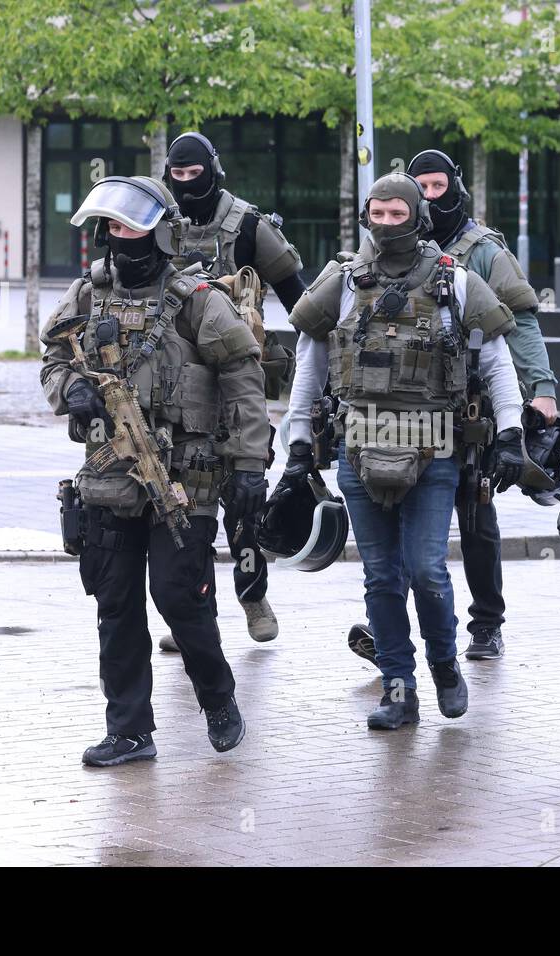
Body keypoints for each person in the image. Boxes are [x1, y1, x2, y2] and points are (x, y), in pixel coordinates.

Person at [39, 175, 270, 762]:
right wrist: (71, 388)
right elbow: (54, 358)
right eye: (113, 227)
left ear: (162, 234)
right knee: (114, 602)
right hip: (108, 474)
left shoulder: (197, 300)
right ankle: (129, 730)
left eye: (133, 227)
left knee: (178, 596)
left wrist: (248, 466)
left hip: (185, 479)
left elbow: (243, 378)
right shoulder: (89, 295)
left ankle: (218, 698)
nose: (122, 238)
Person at [284, 172, 524, 729]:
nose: (387, 223)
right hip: (358, 448)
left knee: (426, 569)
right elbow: (309, 364)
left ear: (417, 216)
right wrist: (298, 444)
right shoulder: (342, 282)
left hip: (435, 450)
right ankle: (398, 686)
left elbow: (496, 362)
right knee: (380, 577)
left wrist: (510, 431)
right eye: (378, 213)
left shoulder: (456, 283)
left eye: (398, 214)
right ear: (366, 214)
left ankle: (443, 663)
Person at [343, 149, 558, 663]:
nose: (431, 196)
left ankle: (485, 622)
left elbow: (520, 321)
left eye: (439, 186)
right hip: (394, 412)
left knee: (476, 513)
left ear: (455, 188)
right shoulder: (374, 253)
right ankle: (387, 630)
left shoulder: (480, 251)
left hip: (470, 408)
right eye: (423, 188)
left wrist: (542, 390)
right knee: (386, 513)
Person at [157, 131, 306, 648]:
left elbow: (301, 301)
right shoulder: (157, 223)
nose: (184, 185)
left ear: (212, 170)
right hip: (176, 384)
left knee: (244, 498)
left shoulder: (247, 226)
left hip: (239, 379)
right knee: (185, 501)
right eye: (175, 177)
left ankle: (252, 594)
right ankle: (197, 613)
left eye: (192, 175)